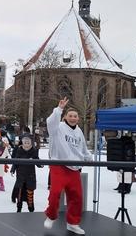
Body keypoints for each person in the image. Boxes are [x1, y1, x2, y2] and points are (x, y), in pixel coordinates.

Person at [43, 98, 92, 235]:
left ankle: (72, 223)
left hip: (74, 168)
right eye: (70, 116)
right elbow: (50, 121)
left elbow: (83, 148)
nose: (73, 118)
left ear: (78, 118)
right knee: (55, 193)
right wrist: (59, 109)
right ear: (65, 117)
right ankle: (51, 215)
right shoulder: (57, 127)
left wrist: (88, 157)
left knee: (77, 197)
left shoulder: (79, 132)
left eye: (75, 116)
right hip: (58, 164)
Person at [11, 135, 41, 213]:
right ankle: (19, 208)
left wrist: (40, 164)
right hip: (21, 175)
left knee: (30, 194)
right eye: (25, 142)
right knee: (19, 194)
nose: (27, 144)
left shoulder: (33, 151)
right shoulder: (19, 150)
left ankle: (31, 209)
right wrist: (13, 169)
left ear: (31, 143)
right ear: (23, 143)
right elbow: (16, 161)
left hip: (30, 176)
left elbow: (37, 160)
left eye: (28, 143)